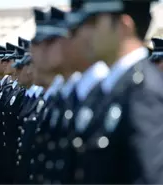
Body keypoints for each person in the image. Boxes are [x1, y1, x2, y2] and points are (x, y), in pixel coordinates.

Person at [69, 0, 163, 184]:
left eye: (95, 23)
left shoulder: (142, 91)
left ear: (123, 25)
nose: (87, 33)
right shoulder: (113, 87)